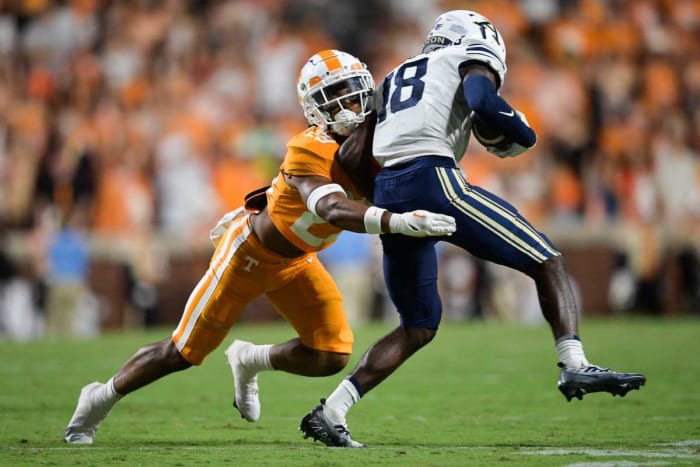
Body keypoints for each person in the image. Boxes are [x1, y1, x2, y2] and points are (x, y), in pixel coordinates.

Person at [63, 49, 456, 444]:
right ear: (316, 106)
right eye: (340, 94)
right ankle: (99, 397)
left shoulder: (375, 142)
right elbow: (333, 208)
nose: (353, 103)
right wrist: (397, 221)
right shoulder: (309, 146)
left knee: (330, 355)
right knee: (180, 352)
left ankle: (249, 358)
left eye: (356, 91)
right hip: (249, 253)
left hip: (299, 260)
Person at [298, 11, 647, 448]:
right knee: (548, 259)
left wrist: (387, 199)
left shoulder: (392, 78)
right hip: (435, 178)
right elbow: (481, 99)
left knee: (418, 325)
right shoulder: (468, 56)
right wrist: (522, 130)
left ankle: (332, 410)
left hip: (390, 189)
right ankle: (573, 362)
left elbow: (350, 156)